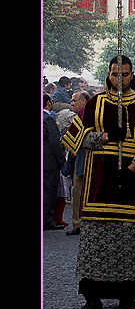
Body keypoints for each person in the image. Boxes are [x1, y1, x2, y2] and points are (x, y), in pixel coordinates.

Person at [62, 56, 135, 309]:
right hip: (98, 184)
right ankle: (92, 297)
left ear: (131, 75)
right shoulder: (95, 102)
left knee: (132, 242)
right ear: (108, 75)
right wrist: (104, 136)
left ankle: (128, 295)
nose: (120, 79)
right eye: (115, 74)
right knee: (95, 244)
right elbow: (76, 138)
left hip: (133, 184)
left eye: (124, 75)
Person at [63, 91, 90, 235]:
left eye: (75, 100)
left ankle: (83, 222)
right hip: (78, 159)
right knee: (77, 191)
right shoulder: (78, 116)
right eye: (72, 100)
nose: (72, 103)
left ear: (84, 101)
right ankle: (77, 222)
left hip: (87, 159)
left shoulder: (90, 115)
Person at [43, 94, 66, 230]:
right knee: (49, 191)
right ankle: (47, 221)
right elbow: (54, 142)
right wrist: (62, 160)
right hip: (49, 162)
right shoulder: (48, 119)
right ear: (48, 103)